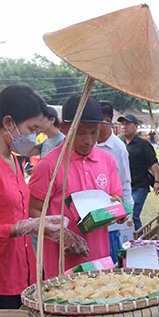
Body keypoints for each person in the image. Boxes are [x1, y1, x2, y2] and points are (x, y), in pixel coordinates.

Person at [0, 85, 58, 310]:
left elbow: (16, 212)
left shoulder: (13, 160)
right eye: (32, 128)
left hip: (24, 274)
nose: (35, 136)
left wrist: (37, 226)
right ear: (8, 123)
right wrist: (23, 227)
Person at [30, 95, 121, 278]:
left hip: (99, 263)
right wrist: (61, 234)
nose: (88, 140)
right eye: (80, 133)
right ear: (64, 127)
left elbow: (116, 199)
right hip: (62, 266)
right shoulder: (48, 166)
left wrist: (118, 209)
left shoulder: (107, 160)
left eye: (94, 132)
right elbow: (33, 211)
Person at [96, 102, 134, 262]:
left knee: (114, 258)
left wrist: (126, 210)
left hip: (115, 213)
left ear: (107, 121)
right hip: (96, 213)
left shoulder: (118, 148)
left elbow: (125, 182)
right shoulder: (91, 145)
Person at [119, 113, 159, 233]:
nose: (124, 127)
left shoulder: (143, 144)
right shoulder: (119, 143)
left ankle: (139, 241)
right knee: (125, 216)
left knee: (133, 214)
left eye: (127, 124)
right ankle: (131, 238)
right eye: (122, 124)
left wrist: (157, 181)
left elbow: (154, 163)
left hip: (140, 186)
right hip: (124, 187)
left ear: (136, 126)